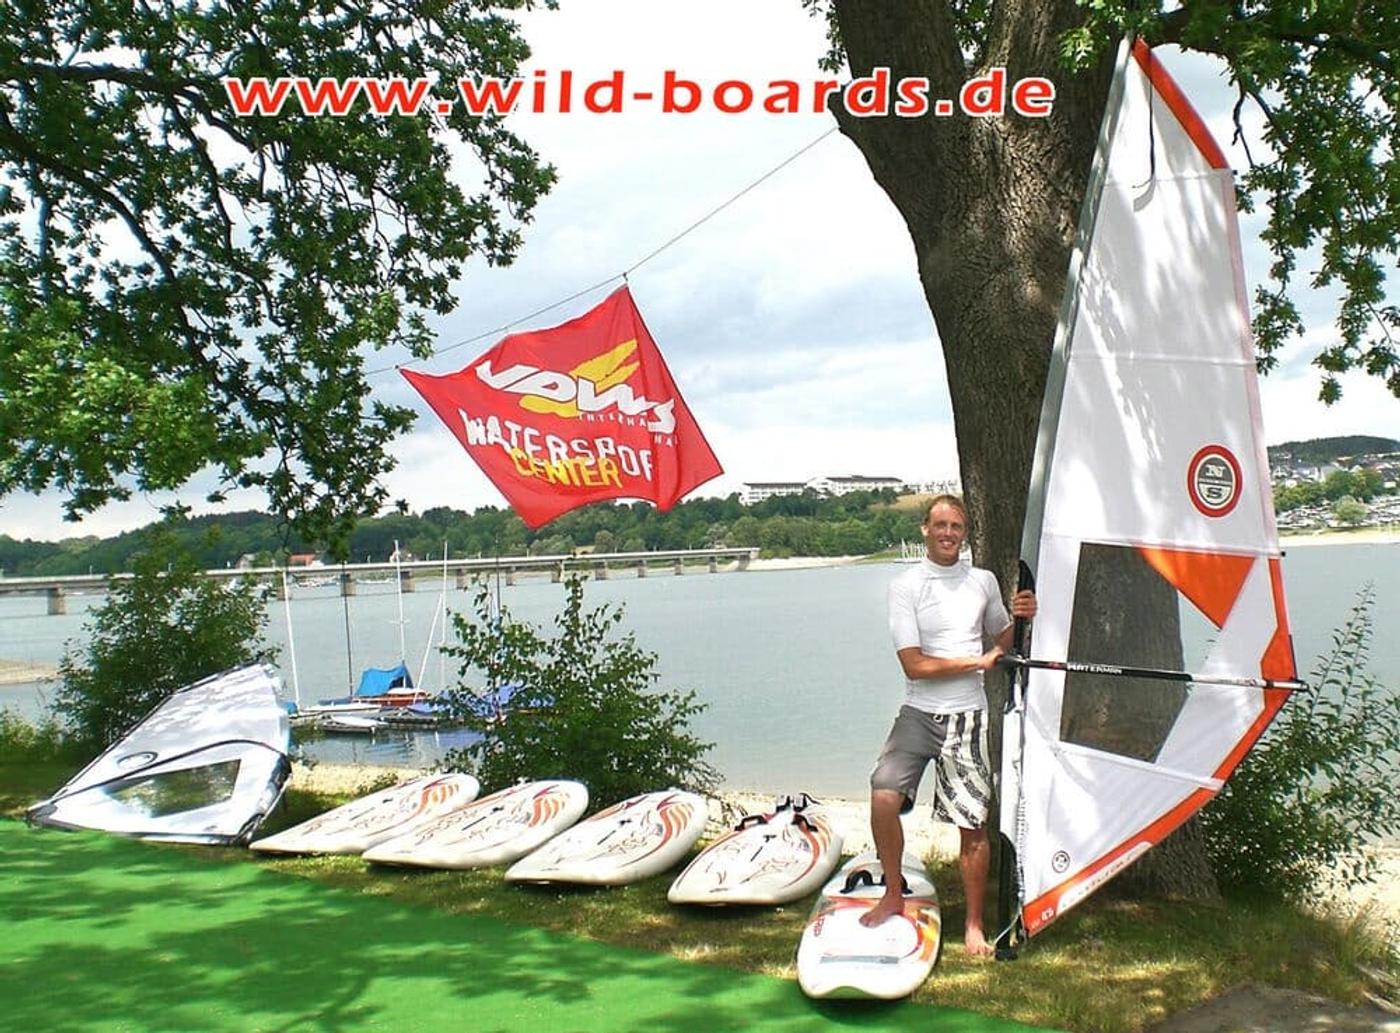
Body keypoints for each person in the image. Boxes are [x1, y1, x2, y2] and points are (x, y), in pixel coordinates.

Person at [859, 494, 1036, 956]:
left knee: (973, 824)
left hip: (969, 717)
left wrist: (1021, 617)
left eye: (956, 526)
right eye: (940, 524)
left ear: (964, 532)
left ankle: (974, 925)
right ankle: (894, 893)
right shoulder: (906, 585)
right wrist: (978, 660)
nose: (948, 533)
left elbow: (1002, 637)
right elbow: (914, 666)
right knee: (883, 795)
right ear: (925, 529)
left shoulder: (982, 581)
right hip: (918, 713)